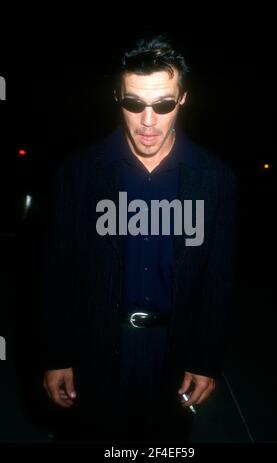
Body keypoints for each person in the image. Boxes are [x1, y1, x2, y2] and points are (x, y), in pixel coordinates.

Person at [40, 34, 237, 442]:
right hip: (96, 349)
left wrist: (206, 359)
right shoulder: (77, 173)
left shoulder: (215, 179)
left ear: (182, 100)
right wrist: (56, 355)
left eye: (163, 104)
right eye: (134, 103)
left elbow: (219, 278)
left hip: (174, 352)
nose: (148, 120)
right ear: (118, 96)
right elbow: (57, 269)